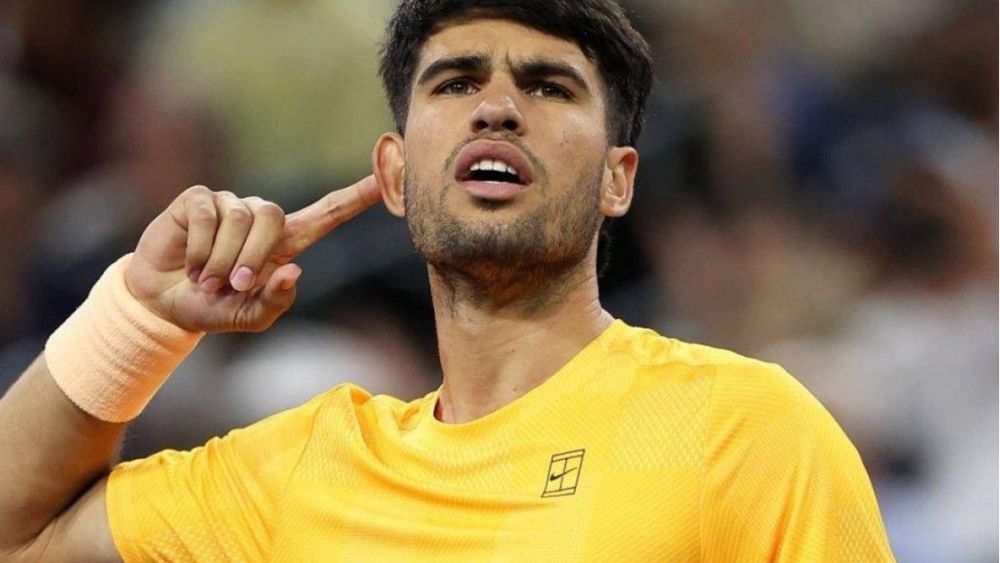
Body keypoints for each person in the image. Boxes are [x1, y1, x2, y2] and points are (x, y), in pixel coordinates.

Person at [0, 1, 896, 560]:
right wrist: (137, 319)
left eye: (549, 88)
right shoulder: (298, 468)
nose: (497, 107)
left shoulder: (742, 430)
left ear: (617, 179)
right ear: (394, 173)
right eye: (456, 83)